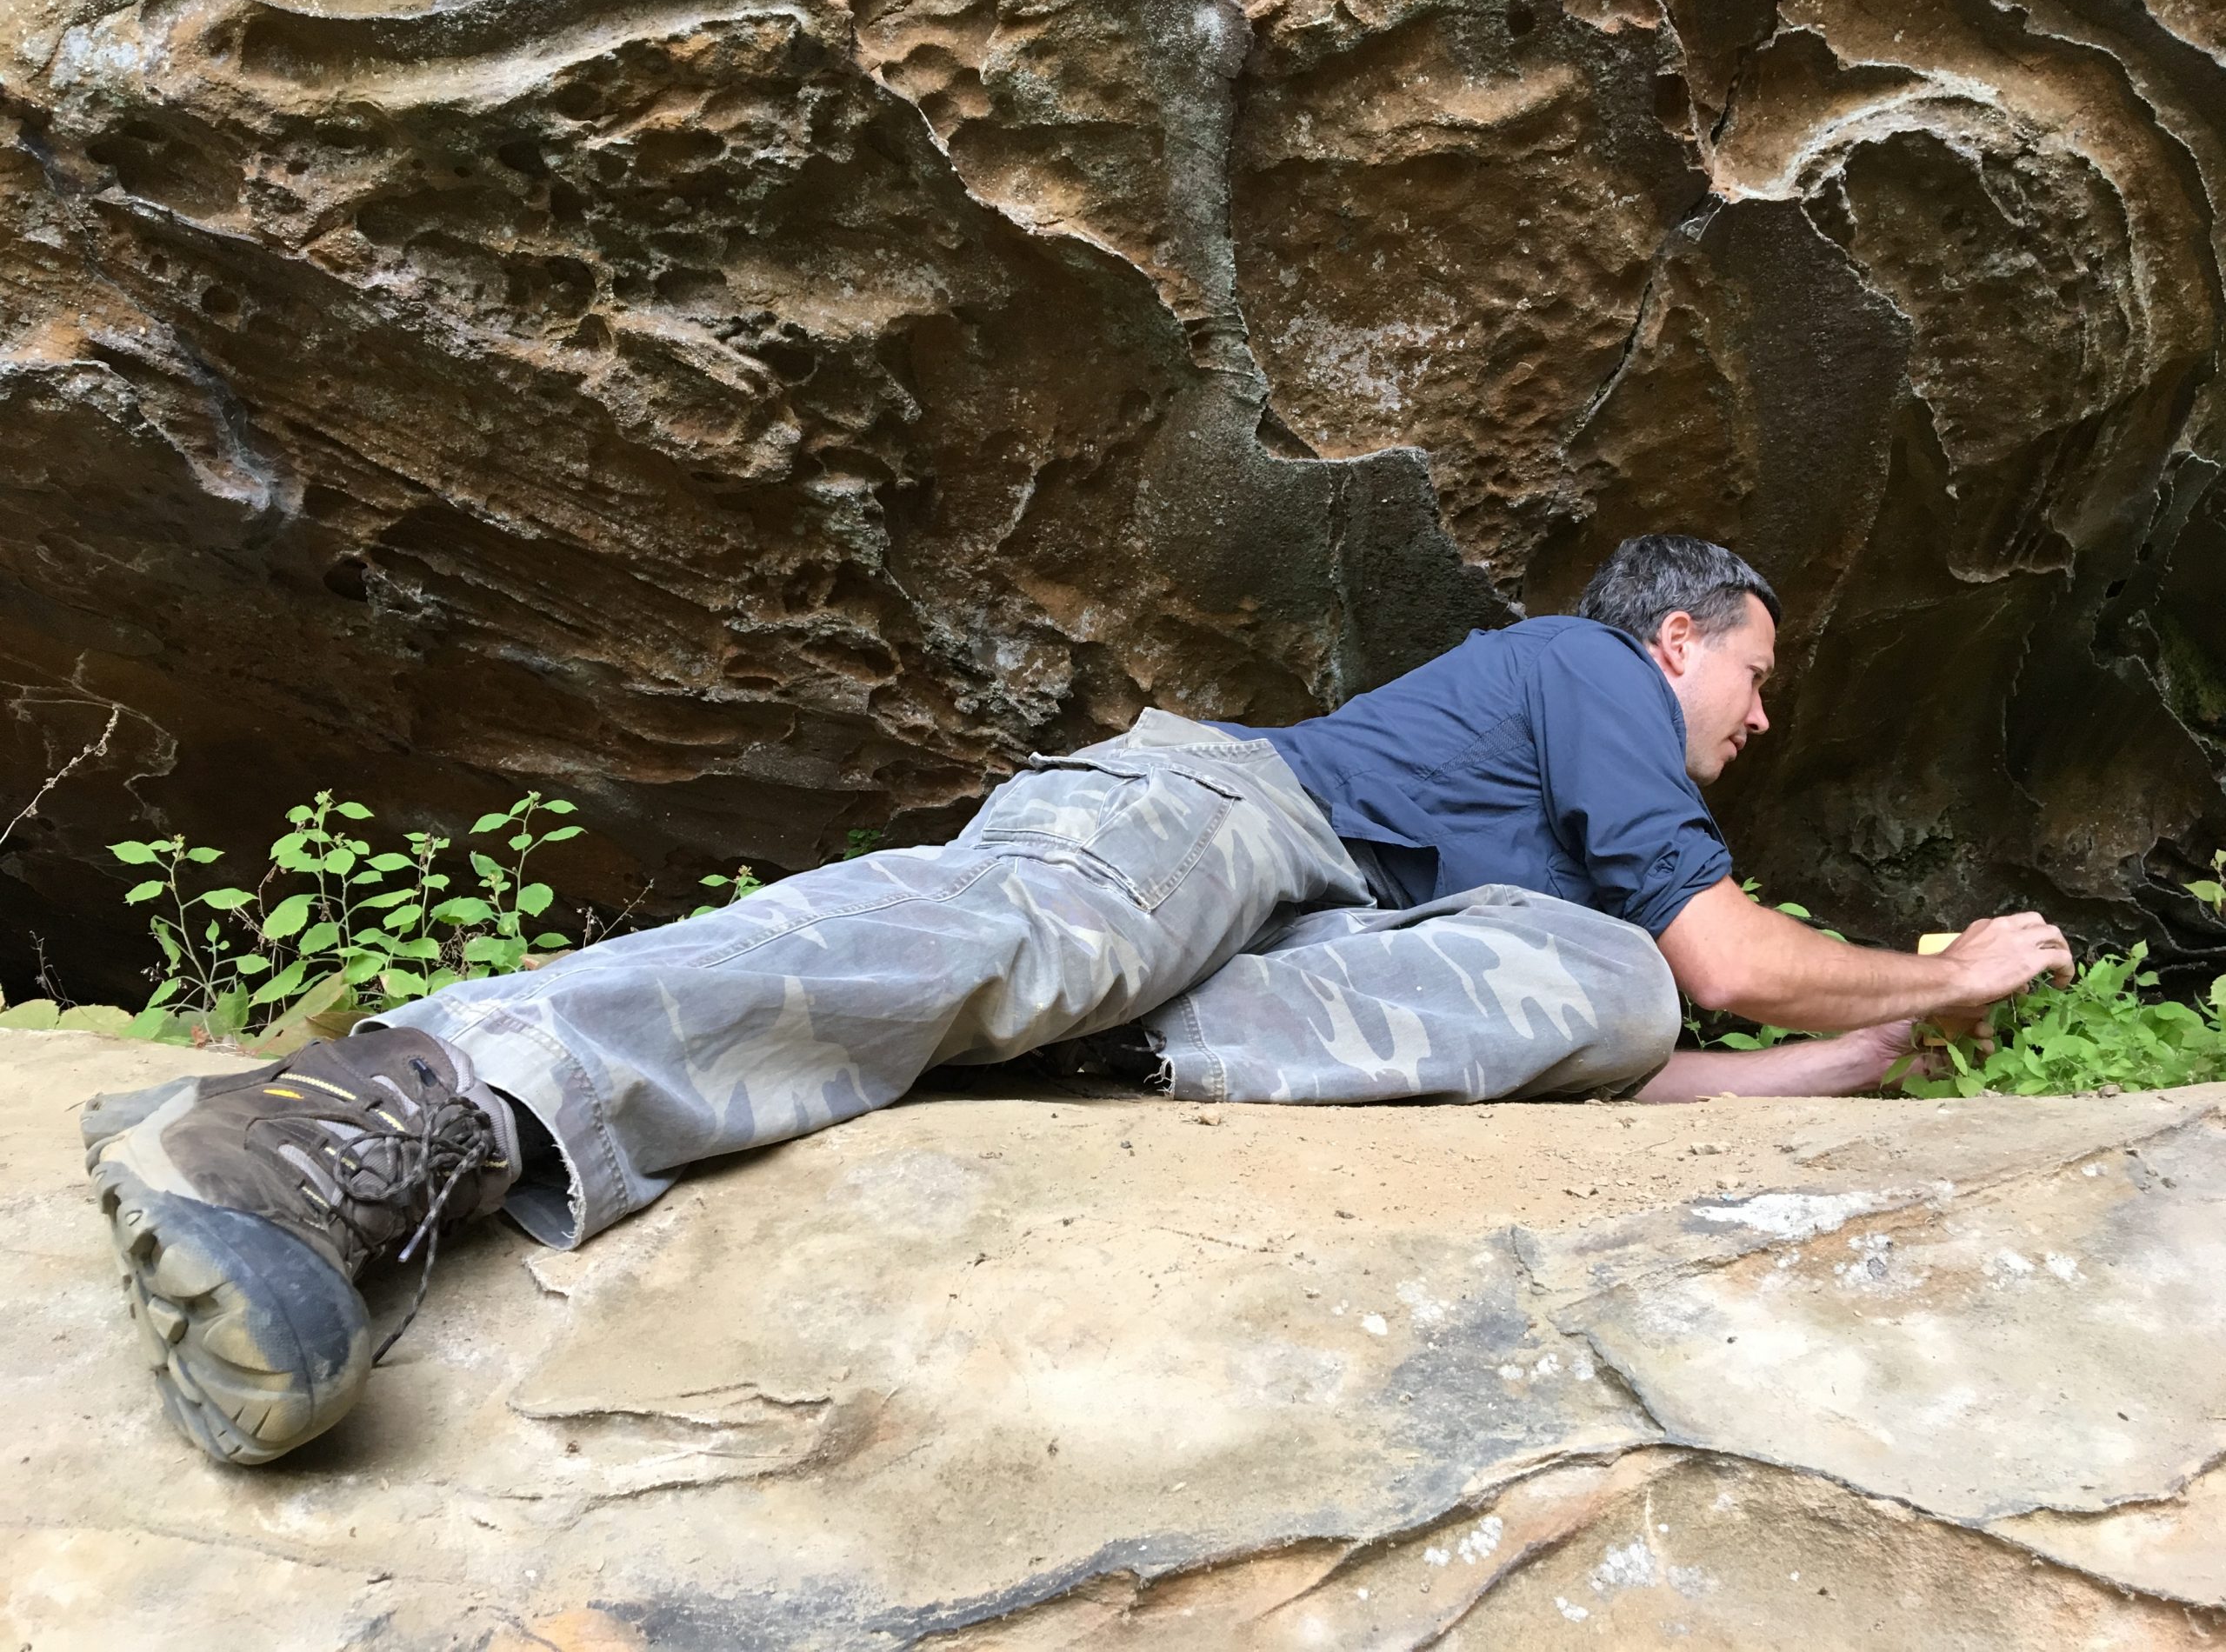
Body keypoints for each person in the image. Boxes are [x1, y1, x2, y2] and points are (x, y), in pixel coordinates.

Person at [81, 534, 2074, 1465]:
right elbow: (1719, 953)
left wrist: (1880, 1051)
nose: (1753, 721)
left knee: (1601, 988)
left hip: (1306, 951)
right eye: (1752, 679)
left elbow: (1628, 1066)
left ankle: (1007, 1065)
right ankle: (349, 1120)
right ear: (1673, 634)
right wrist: (1945, 957)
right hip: (1226, 814)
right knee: (1042, 940)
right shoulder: (1582, 669)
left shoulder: (1541, 901)